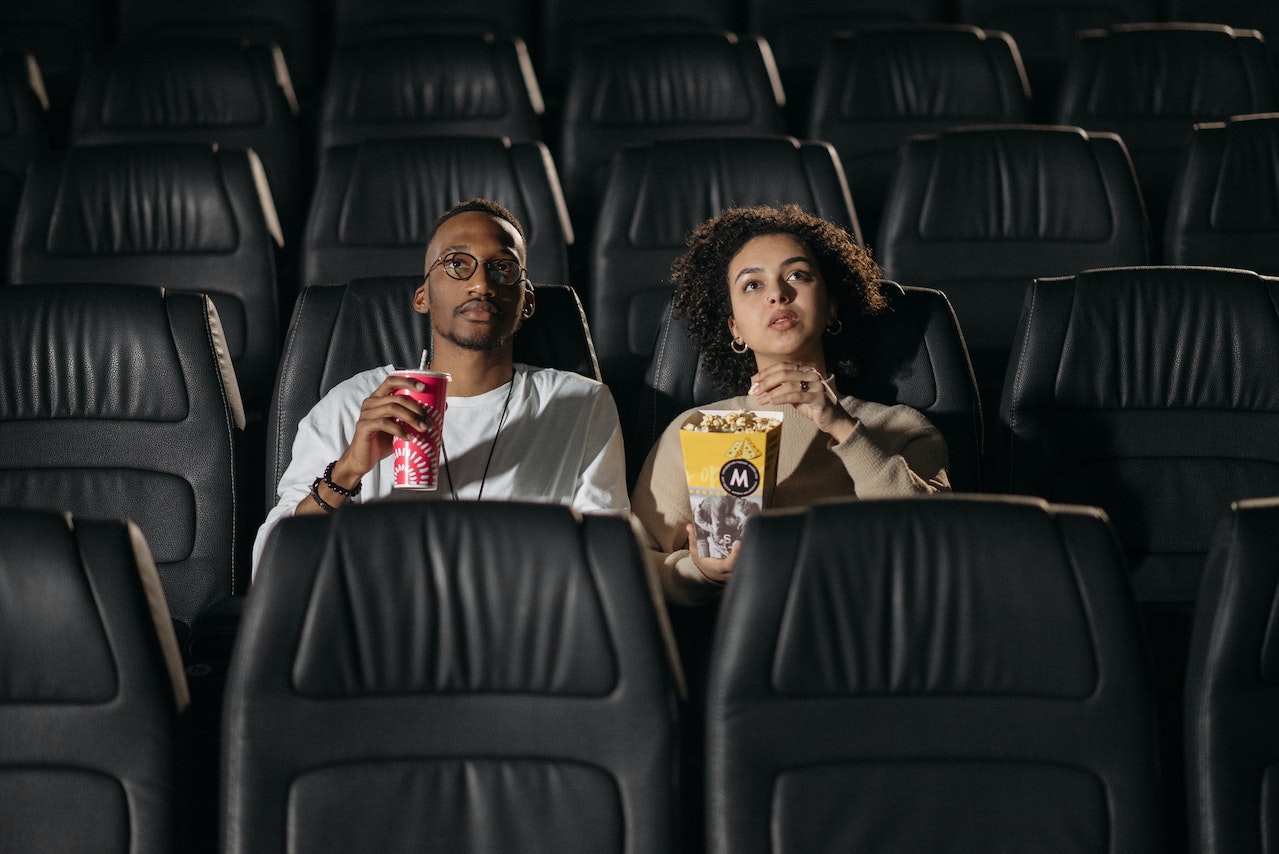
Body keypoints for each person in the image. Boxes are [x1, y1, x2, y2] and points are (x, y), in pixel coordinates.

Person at [253, 198, 629, 574]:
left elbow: (609, 564)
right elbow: (267, 568)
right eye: (456, 264)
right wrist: (349, 469)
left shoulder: (581, 404)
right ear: (423, 296)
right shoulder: (353, 403)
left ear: (526, 301)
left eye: (503, 267)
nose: (481, 283)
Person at [631, 204, 951, 607]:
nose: (778, 294)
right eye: (752, 285)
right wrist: (701, 573)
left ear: (833, 307)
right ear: (735, 329)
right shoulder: (694, 430)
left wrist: (841, 426)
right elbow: (632, 566)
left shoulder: (902, 428)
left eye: (797, 275)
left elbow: (935, 543)